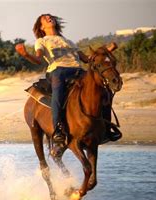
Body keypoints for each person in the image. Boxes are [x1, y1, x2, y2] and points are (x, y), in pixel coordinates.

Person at [15, 14, 119, 151]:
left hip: (78, 71)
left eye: (49, 17)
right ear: (41, 26)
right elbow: (38, 59)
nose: (49, 18)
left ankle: (106, 126)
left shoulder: (69, 42)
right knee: (58, 93)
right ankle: (58, 130)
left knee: (104, 90)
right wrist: (26, 55)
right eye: (45, 18)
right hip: (58, 71)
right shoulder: (42, 41)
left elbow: (87, 59)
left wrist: (106, 51)